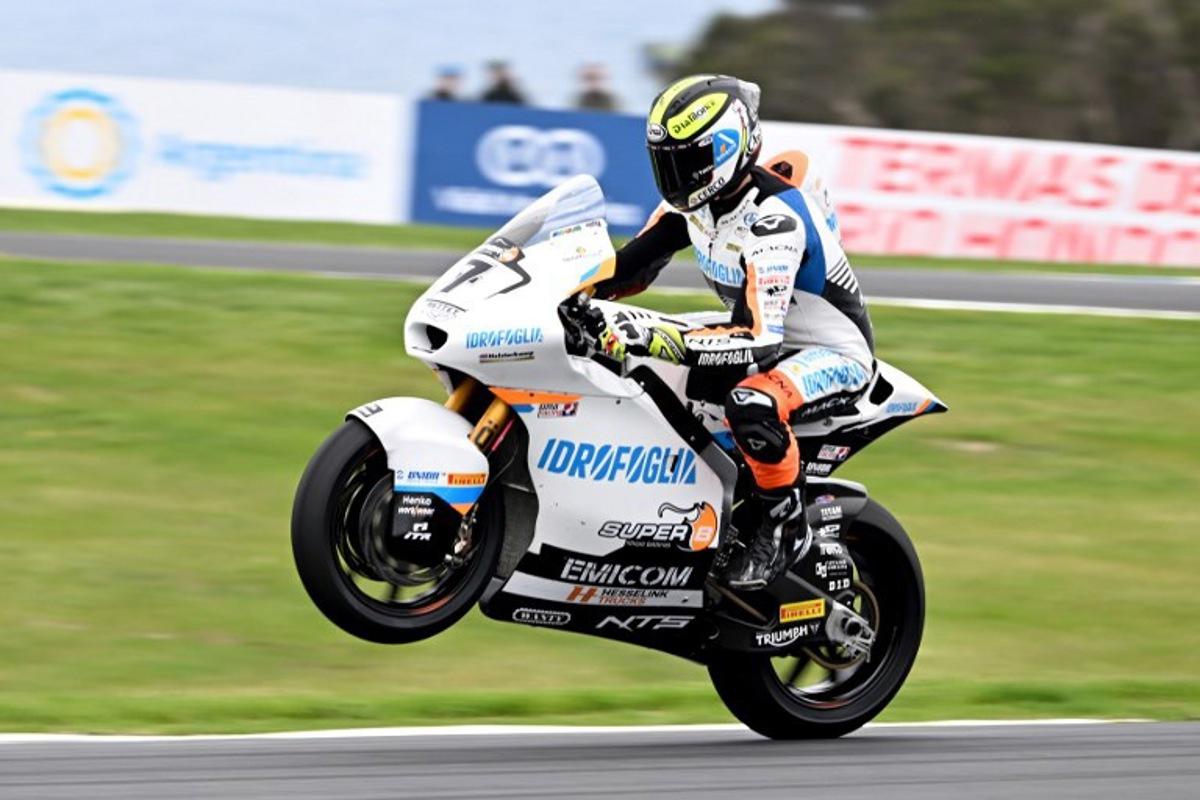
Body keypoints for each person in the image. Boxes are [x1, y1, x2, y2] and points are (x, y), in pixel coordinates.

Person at [592, 74, 873, 590]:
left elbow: (755, 339)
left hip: (827, 352)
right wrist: (565, 290)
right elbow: (628, 268)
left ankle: (781, 525)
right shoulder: (693, 206)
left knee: (752, 403)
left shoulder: (774, 221)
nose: (673, 176)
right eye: (666, 161)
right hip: (766, 339)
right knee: (629, 368)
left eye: (686, 160)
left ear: (725, 150)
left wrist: (644, 333)